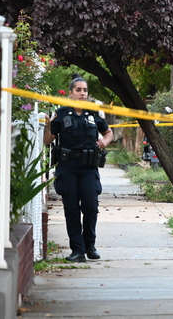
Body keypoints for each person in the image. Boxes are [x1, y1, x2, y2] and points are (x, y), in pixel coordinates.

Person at [43, 74, 113, 262]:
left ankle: (90, 245)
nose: (83, 93)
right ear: (71, 93)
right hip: (68, 167)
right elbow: (48, 140)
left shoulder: (94, 113)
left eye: (85, 90)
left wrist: (103, 142)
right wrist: (48, 126)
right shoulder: (62, 113)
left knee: (90, 207)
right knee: (71, 209)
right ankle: (77, 250)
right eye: (79, 90)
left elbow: (108, 132)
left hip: (89, 167)